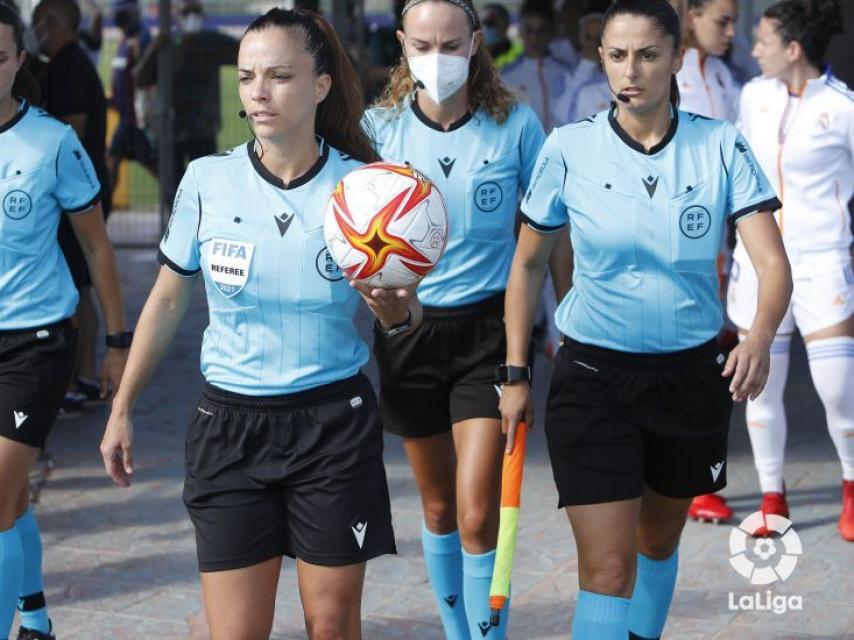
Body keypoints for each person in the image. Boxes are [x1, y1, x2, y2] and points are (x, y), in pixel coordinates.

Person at [99, 9, 406, 639]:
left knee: (330, 626)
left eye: (279, 76)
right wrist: (122, 405)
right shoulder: (209, 181)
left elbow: (407, 305)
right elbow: (166, 300)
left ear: (320, 86)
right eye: (247, 77)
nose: (259, 93)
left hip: (333, 427)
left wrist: (397, 311)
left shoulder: (366, 190)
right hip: (230, 430)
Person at [500, 1, 792, 638]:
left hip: (689, 381)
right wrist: (516, 371)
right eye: (617, 54)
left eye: (649, 54)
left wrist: (761, 335)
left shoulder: (719, 145)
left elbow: (772, 263)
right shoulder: (567, 148)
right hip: (593, 381)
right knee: (607, 571)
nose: (631, 69)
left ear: (676, 59)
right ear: (602, 58)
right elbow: (526, 267)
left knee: (656, 545)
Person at [363, 0, 561, 636]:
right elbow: (342, 227)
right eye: (422, 45)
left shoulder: (517, 126)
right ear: (401, 44)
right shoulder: (378, 130)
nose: (438, 59)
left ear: (477, 43)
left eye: (451, 44)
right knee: (440, 505)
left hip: (489, 335)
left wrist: (558, 328)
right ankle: (457, 631)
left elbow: (547, 236)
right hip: (408, 332)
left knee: (479, 512)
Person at [0, 5, 128, 639]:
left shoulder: (51, 141)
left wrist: (116, 340)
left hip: (37, 341)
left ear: (18, 61)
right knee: (10, 495)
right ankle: (37, 619)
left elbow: (99, 245)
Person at [728, 0, 854, 541]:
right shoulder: (753, 95)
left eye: (763, 41)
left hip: (823, 261)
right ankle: (772, 495)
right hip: (755, 264)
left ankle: (851, 487)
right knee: (760, 385)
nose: (754, 51)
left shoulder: (845, 106)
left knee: (837, 390)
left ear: (794, 50)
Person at [670, 0, 743, 524]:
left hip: (720, 248)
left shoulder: (724, 75)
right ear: (689, 14)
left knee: (714, 364)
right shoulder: (667, 69)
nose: (731, 31)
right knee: (683, 360)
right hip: (674, 247)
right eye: (722, 19)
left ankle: (700, 477)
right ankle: (685, 481)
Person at [33, 0, 111, 408]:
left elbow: (72, 130)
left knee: (77, 283)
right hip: (78, 188)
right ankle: (78, 375)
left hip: (77, 192)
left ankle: (78, 377)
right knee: (79, 281)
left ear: (52, 23)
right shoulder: (63, 63)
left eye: (36, 23)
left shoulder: (70, 67)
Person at [133, 0, 239, 202]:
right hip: (170, 129)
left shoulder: (212, 41)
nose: (191, 16)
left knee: (205, 190)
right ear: (177, 15)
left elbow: (245, 53)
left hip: (202, 128)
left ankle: (204, 230)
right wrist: (155, 49)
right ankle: (175, 230)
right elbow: (140, 77)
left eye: (195, 11)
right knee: (173, 191)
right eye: (187, 11)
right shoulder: (166, 44)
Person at [106, 0, 156, 193]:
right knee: (111, 163)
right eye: (117, 13)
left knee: (159, 169)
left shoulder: (142, 39)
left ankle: (181, 205)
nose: (118, 17)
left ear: (135, 12)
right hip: (125, 119)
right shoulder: (124, 40)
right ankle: (105, 208)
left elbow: (145, 76)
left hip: (139, 120)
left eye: (123, 13)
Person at [501, 0, 572, 132]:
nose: (535, 37)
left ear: (552, 32)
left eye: (542, 30)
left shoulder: (568, 72)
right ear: (520, 31)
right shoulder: (506, 75)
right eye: (529, 30)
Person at [671, 0, 740, 121]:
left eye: (733, 22)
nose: (731, 32)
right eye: (722, 22)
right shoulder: (666, 69)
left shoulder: (721, 71)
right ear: (690, 19)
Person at [481, 3, 522, 70]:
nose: (487, 27)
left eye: (492, 22)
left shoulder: (520, 53)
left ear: (507, 24)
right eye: (485, 22)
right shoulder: (471, 55)